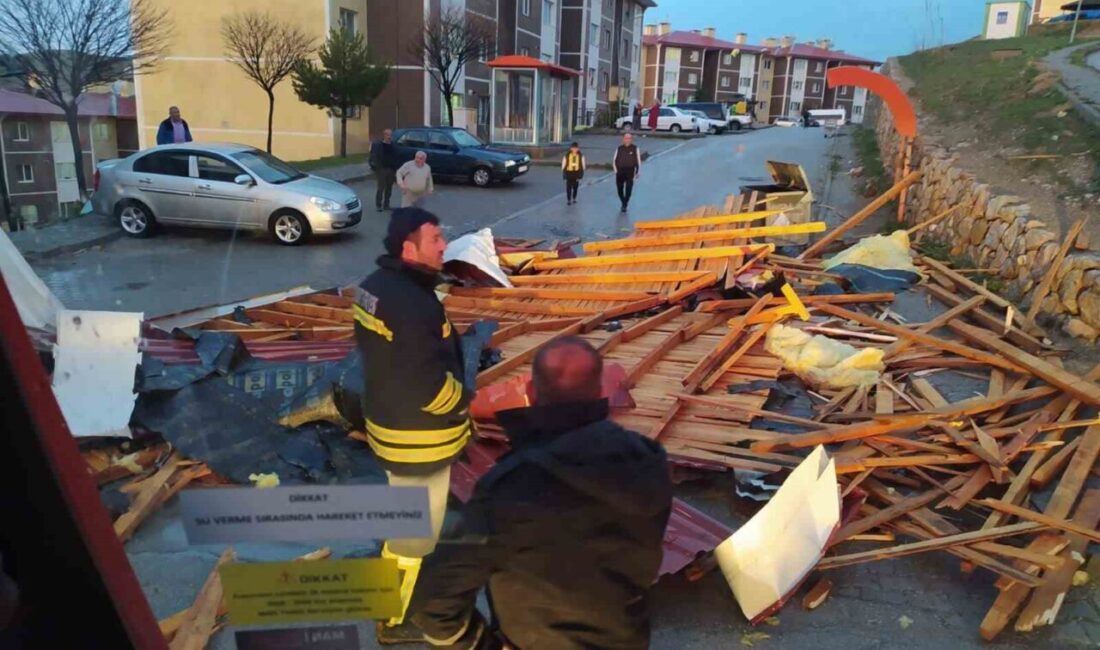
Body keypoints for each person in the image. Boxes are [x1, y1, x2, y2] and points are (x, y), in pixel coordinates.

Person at [386, 337, 673, 649]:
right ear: (601, 391)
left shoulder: (509, 488)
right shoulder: (649, 461)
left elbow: (436, 596)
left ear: (531, 393)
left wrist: (476, 643)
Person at [352, 207, 472, 630]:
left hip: (389, 425)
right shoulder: (412, 306)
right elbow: (427, 384)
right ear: (409, 247)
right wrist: (464, 402)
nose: (444, 245)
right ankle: (391, 617)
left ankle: (389, 587)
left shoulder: (373, 287)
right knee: (415, 537)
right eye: (435, 238)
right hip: (419, 441)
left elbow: (379, 358)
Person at [613, 132, 641, 212]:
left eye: (629, 138)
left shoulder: (635, 148)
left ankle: (624, 204)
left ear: (631, 139)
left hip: (630, 172)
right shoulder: (619, 148)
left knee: (628, 190)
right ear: (623, 139)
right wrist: (616, 171)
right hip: (620, 172)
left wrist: (638, 171)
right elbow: (614, 160)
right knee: (620, 190)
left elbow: (638, 161)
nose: (627, 140)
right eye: (626, 138)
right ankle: (623, 201)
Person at [370, 129, 397, 212]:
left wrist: (395, 167)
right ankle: (378, 205)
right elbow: (372, 156)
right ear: (384, 135)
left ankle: (386, 205)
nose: (389, 137)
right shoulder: (377, 145)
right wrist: (374, 167)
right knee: (381, 188)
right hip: (381, 169)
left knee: (389, 188)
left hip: (391, 169)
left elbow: (397, 156)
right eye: (387, 135)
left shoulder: (393, 145)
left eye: (390, 135)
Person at [561, 141, 586, 206]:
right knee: (568, 187)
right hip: (569, 172)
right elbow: (563, 165)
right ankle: (568, 199)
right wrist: (564, 174)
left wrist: (581, 175)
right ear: (571, 148)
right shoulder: (567, 156)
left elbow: (583, 165)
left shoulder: (581, 156)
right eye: (573, 148)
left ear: (578, 149)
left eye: (576, 148)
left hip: (576, 173)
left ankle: (574, 197)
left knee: (575, 187)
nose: (574, 150)